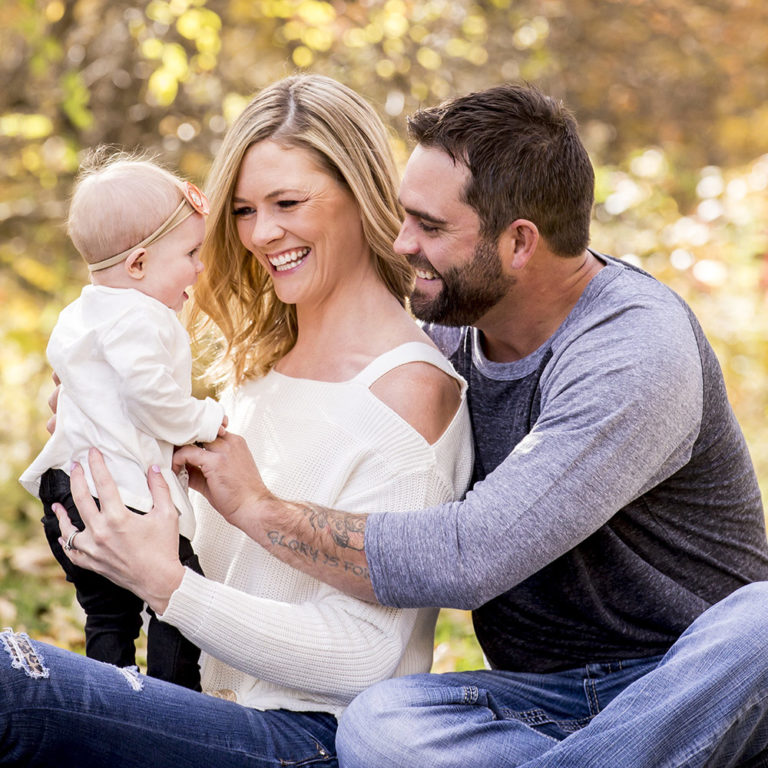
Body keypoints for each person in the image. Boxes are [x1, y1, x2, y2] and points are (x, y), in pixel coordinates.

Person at [168, 84, 768, 766]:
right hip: (541, 704)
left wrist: (264, 511)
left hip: (693, 686)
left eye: (429, 226)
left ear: (518, 243)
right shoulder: (449, 342)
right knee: (380, 721)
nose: (400, 243)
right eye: (403, 217)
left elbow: (471, 554)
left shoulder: (632, 351)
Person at [0, 74, 472, 768]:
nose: (261, 233)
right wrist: (115, 470)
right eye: (245, 210)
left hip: (307, 739)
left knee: (11, 687)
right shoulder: (251, 369)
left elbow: (365, 658)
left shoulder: (410, 391)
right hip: (193, 710)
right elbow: (210, 559)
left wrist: (168, 585)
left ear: (361, 194)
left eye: (287, 202)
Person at [19, 153, 226, 690]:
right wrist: (203, 419)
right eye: (191, 253)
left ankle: (114, 698)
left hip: (66, 491)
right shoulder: (142, 316)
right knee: (179, 598)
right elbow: (150, 396)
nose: (200, 268)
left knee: (108, 615)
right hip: (122, 496)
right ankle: (172, 701)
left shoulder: (80, 313)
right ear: (138, 265)